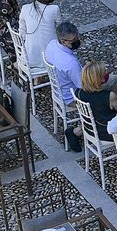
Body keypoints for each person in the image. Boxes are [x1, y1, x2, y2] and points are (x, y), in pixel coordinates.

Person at [43, 21, 84, 151]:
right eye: (73, 40)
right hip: (71, 97)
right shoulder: (70, 63)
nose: (77, 41)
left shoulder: (51, 45)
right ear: (63, 41)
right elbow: (84, 87)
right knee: (105, 98)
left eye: (77, 37)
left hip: (59, 90)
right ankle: (78, 131)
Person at [17, 0, 60, 77]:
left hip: (29, 57)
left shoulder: (25, 8)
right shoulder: (54, 9)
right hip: (50, 58)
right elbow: (59, 26)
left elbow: (22, 32)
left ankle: (37, 78)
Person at [75, 61, 117, 142]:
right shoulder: (109, 96)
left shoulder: (78, 92)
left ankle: (76, 131)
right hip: (108, 133)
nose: (107, 73)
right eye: (104, 72)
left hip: (89, 129)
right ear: (99, 78)